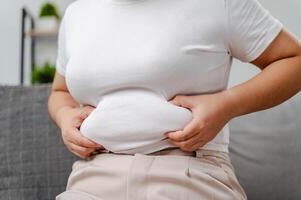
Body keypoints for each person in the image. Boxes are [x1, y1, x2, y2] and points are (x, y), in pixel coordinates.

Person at [48, 0, 301, 199]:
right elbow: (60, 92)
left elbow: (294, 61)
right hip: (94, 176)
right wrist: (64, 116)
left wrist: (226, 105)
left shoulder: (218, 4)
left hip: (190, 175)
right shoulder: (77, 14)